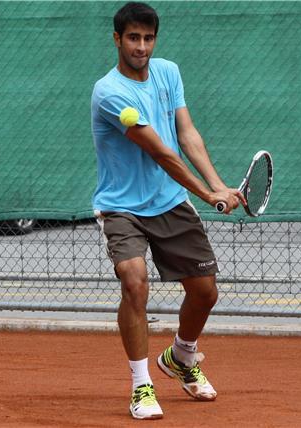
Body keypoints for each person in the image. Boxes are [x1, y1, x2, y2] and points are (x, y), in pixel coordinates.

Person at [91, 2, 244, 420]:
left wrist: (217, 183)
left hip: (169, 203)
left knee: (205, 292)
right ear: (117, 39)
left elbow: (185, 132)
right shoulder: (110, 92)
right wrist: (210, 195)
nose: (141, 46)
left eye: (148, 38)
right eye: (133, 38)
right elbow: (161, 151)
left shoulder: (168, 73)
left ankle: (181, 357)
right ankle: (142, 384)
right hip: (122, 207)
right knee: (134, 281)